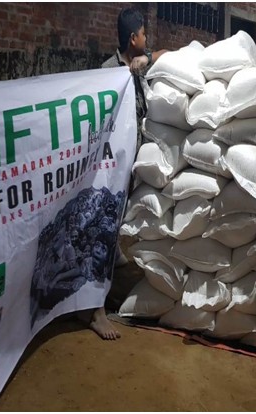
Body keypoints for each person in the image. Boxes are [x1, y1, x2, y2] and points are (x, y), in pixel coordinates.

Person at [87, 7, 168, 341]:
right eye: (144, 34)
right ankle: (96, 311)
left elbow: (167, 54)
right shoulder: (108, 73)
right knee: (103, 230)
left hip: (132, 162)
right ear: (133, 37)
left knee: (119, 221)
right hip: (110, 166)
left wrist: (147, 58)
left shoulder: (139, 64)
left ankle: (115, 256)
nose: (147, 38)